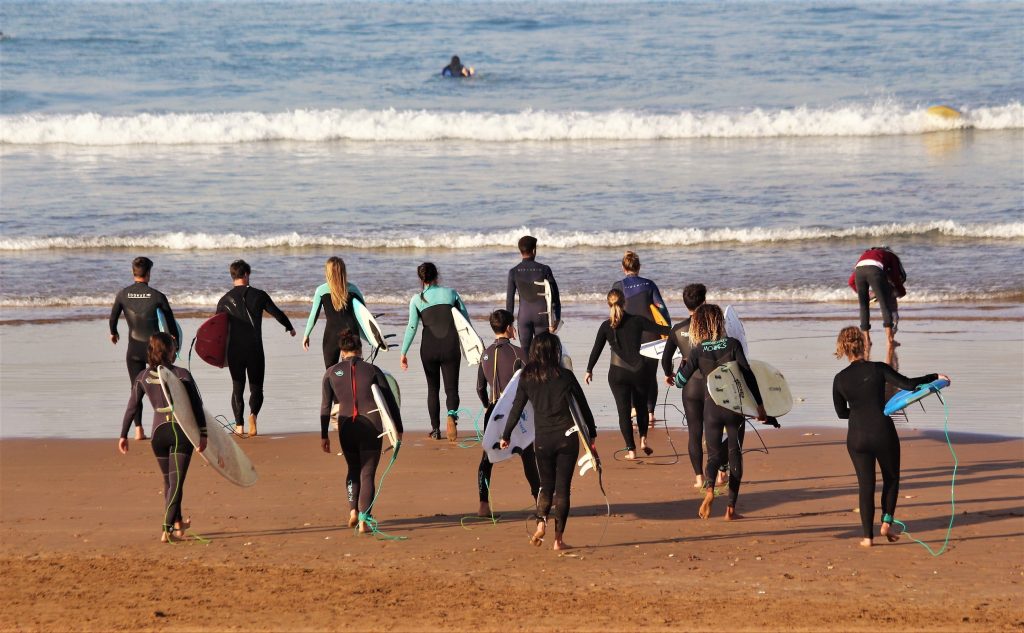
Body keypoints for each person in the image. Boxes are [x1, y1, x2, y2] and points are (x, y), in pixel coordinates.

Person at [832, 325, 948, 548]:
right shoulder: (878, 369)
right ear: (863, 344)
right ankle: (886, 521)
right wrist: (935, 377)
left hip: (856, 438)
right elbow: (909, 385)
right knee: (891, 478)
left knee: (865, 486)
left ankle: (868, 537)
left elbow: (840, 413)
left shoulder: (839, 379)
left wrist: (859, 414)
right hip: (882, 431)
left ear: (844, 349)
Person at [500, 332, 596, 551]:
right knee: (563, 490)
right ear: (555, 351)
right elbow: (583, 407)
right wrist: (592, 434)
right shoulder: (565, 376)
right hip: (567, 438)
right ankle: (558, 540)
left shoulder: (526, 377)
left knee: (546, 485)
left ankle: (541, 522)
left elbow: (516, 408)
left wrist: (506, 435)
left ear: (534, 350)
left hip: (542, 440)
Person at [673, 304, 766, 521]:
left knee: (714, 456)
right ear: (719, 323)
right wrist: (760, 406)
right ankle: (731, 509)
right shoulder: (732, 345)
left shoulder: (697, 351)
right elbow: (748, 375)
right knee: (734, 454)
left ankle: (709, 491)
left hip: (711, 408)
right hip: (734, 408)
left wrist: (683, 365)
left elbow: (680, 382)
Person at [119, 332, 207, 542]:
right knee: (175, 484)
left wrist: (123, 434)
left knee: (169, 483)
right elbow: (197, 406)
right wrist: (203, 434)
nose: (175, 351)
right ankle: (166, 529)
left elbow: (133, 407)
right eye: (174, 348)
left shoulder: (142, 377)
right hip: (180, 433)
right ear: (168, 351)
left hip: (158, 435)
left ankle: (178, 525)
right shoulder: (182, 374)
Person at [320, 329, 403, 533]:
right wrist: (398, 428)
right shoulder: (373, 370)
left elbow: (325, 407)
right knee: (367, 473)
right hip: (371, 424)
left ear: (342, 351)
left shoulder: (331, 373)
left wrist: (324, 435)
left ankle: (352, 512)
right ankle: (365, 519)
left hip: (346, 426)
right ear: (360, 349)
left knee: (353, 468)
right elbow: (390, 401)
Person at [585, 288, 670, 460]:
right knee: (641, 408)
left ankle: (631, 451)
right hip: (639, 371)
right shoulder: (638, 321)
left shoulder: (605, 326)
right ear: (625, 302)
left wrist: (589, 370)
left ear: (608, 304)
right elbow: (664, 330)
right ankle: (644, 440)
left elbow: (596, 350)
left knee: (623, 412)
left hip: (617, 373)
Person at [661, 283, 731, 488]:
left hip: (690, 385)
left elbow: (665, 359)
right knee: (714, 430)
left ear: (686, 304)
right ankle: (719, 472)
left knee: (694, 431)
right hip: (713, 383)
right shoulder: (715, 327)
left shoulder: (677, 329)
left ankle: (699, 478)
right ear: (705, 301)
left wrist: (669, 374)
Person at [216, 260, 295, 437]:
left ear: (232, 277)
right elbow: (277, 313)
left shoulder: (224, 300)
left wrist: (216, 354)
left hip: (234, 351)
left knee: (237, 388)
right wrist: (290, 327)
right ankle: (253, 415)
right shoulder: (259, 295)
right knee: (256, 388)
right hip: (255, 349)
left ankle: (239, 427)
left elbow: (216, 329)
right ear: (246, 275)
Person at [474, 309, 540, 517]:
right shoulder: (519, 353)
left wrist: (487, 406)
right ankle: (539, 501)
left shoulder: (484, 354)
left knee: (487, 458)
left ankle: (483, 506)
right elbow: (531, 382)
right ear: (509, 328)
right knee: (527, 455)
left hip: (493, 412)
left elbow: (479, 387)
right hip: (515, 412)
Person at [109, 256, 179, 441]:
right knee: (165, 386)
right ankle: (169, 422)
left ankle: (138, 429)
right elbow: (171, 323)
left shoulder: (122, 294)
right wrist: (175, 342)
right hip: (154, 349)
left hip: (133, 349)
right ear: (148, 273)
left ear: (134, 272)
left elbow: (113, 318)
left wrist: (113, 333)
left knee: (136, 389)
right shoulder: (157, 296)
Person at [399, 262, 469, 442]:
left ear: (421, 279)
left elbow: (412, 327)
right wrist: (473, 346)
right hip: (450, 346)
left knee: (433, 388)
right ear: (437, 275)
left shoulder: (417, 299)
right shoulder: (451, 293)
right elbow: (465, 320)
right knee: (451, 388)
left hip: (428, 349)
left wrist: (403, 352)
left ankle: (436, 429)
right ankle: (452, 416)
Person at [612, 250, 670, 427]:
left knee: (631, 375)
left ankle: (633, 409)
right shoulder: (649, 284)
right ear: (639, 267)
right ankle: (651, 412)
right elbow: (661, 308)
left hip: (630, 338)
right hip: (651, 336)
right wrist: (667, 330)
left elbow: (615, 314)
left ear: (623, 268)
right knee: (650, 376)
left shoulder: (618, 285)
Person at [302, 257, 366, 368]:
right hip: (352, 333)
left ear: (328, 273)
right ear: (344, 271)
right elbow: (364, 315)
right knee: (353, 371)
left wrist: (306, 334)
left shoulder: (321, 291)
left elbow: (314, 315)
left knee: (330, 372)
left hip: (331, 334)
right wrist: (370, 338)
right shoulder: (353, 289)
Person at [847, 246, 906, 359]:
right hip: (875, 272)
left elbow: (850, 282)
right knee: (885, 305)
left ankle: (866, 340)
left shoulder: (865, 255)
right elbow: (895, 277)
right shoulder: (891, 256)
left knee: (863, 306)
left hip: (859, 272)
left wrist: (868, 295)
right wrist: (901, 291)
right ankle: (890, 339)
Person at [506, 235, 561, 354]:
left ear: (520, 251)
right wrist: (557, 317)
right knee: (543, 354)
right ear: (534, 250)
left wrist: (509, 324)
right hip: (542, 316)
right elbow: (555, 296)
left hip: (524, 317)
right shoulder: (545, 269)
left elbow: (509, 301)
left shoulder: (513, 272)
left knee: (525, 353)